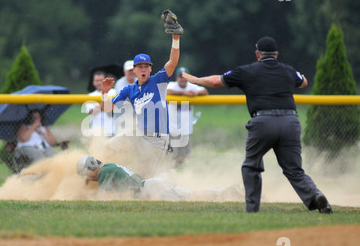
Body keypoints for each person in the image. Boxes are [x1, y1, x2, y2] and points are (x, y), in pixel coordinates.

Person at [181, 36, 333, 214]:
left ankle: (252, 210)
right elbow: (303, 82)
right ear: (276, 54)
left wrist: (196, 80)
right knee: (294, 170)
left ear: (257, 54)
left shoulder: (247, 71)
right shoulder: (288, 70)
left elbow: (216, 82)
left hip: (263, 122)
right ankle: (315, 195)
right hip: (290, 122)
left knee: (251, 166)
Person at [99, 25, 182, 178]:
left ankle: (168, 177)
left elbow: (172, 62)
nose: (143, 69)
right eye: (139, 67)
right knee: (109, 146)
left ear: (150, 69)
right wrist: (104, 92)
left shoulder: (159, 81)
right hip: (138, 134)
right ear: (134, 70)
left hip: (157, 139)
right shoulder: (129, 90)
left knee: (147, 178)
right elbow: (106, 108)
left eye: (146, 66)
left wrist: (175, 39)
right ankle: (109, 177)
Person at [76, 155, 242, 201]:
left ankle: (226, 192)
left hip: (151, 189)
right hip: (151, 186)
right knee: (189, 195)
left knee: (190, 196)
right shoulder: (109, 167)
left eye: (88, 176)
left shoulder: (104, 171)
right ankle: (225, 192)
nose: (90, 180)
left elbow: (106, 197)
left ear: (91, 166)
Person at [167, 66, 208, 167]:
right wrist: (183, 93)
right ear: (176, 78)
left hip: (186, 128)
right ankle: (169, 170)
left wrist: (196, 93)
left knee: (184, 155)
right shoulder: (172, 86)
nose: (182, 79)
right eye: (180, 77)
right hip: (172, 128)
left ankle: (174, 169)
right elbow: (167, 92)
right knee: (168, 154)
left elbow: (205, 92)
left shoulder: (191, 87)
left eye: (185, 77)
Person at [84, 70, 116, 136]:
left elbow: (114, 110)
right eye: (97, 80)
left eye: (101, 80)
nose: (99, 83)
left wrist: (98, 106)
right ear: (93, 82)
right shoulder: (90, 96)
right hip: (96, 131)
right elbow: (91, 112)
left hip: (111, 130)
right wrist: (105, 105)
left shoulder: (114, 92)